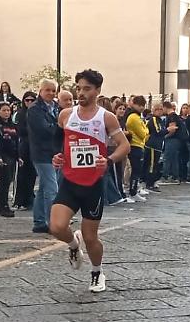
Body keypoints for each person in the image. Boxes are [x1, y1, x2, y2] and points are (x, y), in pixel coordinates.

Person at [50, 69, 131, 293]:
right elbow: (59, 142)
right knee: (56, 227)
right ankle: (73, 244)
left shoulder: (106, 117)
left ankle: (97, 272)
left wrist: (109, 160)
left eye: (87, 89)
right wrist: (58, 156)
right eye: (79, 88)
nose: (81, 93)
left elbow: (124, 145)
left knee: (91, 237)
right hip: (69, 180)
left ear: (97, 91)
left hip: (93, 184)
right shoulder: (66, 115)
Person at [28, 79, 60, 233]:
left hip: (52, 152)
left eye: (53, 90)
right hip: (41, 153)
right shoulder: (35, 109)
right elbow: (44, 130)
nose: (51, 93)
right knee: (52, 189)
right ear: (40, 91)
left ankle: (39, 221)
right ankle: (53, 222)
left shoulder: (55, 107)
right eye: (48, 90)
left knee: (43, 189)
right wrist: (59, 127)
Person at [0, 102, 21, 217]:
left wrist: (18, 157)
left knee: (7, 181)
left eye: (8, 110)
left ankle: (0, 206)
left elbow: (16, 142)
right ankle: (3, 206)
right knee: (4, 181)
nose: (6, 113)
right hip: (1, 156)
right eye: (4, 110)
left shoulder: (12, 125)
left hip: (11, 156)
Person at [13, 91, 38, 210]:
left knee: (33, 173)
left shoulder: (38, 113)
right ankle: (20, 200)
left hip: (35, 146)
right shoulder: (20, 114)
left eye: (32, 100)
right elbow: (20, 130)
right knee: (22, 174)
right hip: (24, 146)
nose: (29, 102)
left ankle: (29, 198)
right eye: (27, 100)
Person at [125, 96, 149, 201]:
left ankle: (134, 191)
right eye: (139, 105)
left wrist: (145, 130)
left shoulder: (138, 117)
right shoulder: (133, 117)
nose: (141, 108)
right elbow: (143, 133)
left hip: (139, 145)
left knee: (137, 171)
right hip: (135, 145)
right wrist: (145, 130)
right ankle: (132, 192)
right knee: (135, 170)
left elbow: (146, 131)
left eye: (143, 105)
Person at [160, 101, 187, 183]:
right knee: (174, 158)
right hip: (177, 140)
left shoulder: (171, 116)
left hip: (172, 139)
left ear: (165, 107)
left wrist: (164, 137)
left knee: (167, 158)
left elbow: (172, 129)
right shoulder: (175, 116)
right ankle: (175, 176)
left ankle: (165, 176)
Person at [144, 103, 166, 190]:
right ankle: (149, 183)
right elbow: (158, 131)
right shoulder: (153, 119)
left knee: (155, 164)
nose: (160, 111)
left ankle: (152, 181)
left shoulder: (160, 120)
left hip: (158, 145)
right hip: (152, 145)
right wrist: (168, 130)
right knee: (151, 165)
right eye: (158, 109)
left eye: (161, 109)